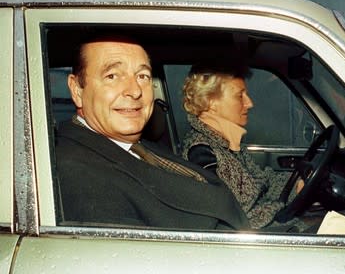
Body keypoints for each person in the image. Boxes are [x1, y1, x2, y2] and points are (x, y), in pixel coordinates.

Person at [55, 34, 250, 231]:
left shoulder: (140, 147)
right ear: (77, 90)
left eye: (142, 76)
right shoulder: (78, 176)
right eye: (112, 76)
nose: (135, 91)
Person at [182, 64, 305, 229]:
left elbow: (262, 182)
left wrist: (297, 185)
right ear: (211, 102)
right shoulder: (202, 155)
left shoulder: (225, 143)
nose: (249, 103)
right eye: (240, 96)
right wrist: (281, 206)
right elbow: (236, 220)